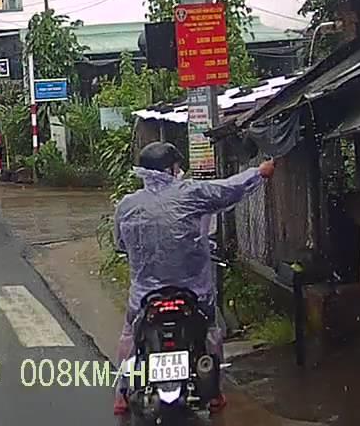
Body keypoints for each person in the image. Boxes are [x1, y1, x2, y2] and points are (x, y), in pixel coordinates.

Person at [111, 141, 274, 416]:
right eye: (177, 167)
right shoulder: (191, 193)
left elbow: (120, 244)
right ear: (170, 169)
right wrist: (259, 172)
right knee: (210, 330)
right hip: (193, 293)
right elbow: (228, 189)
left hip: (145, 296)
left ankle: (121, 394)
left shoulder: (127, 206)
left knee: (129, 333)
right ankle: (216, 393)